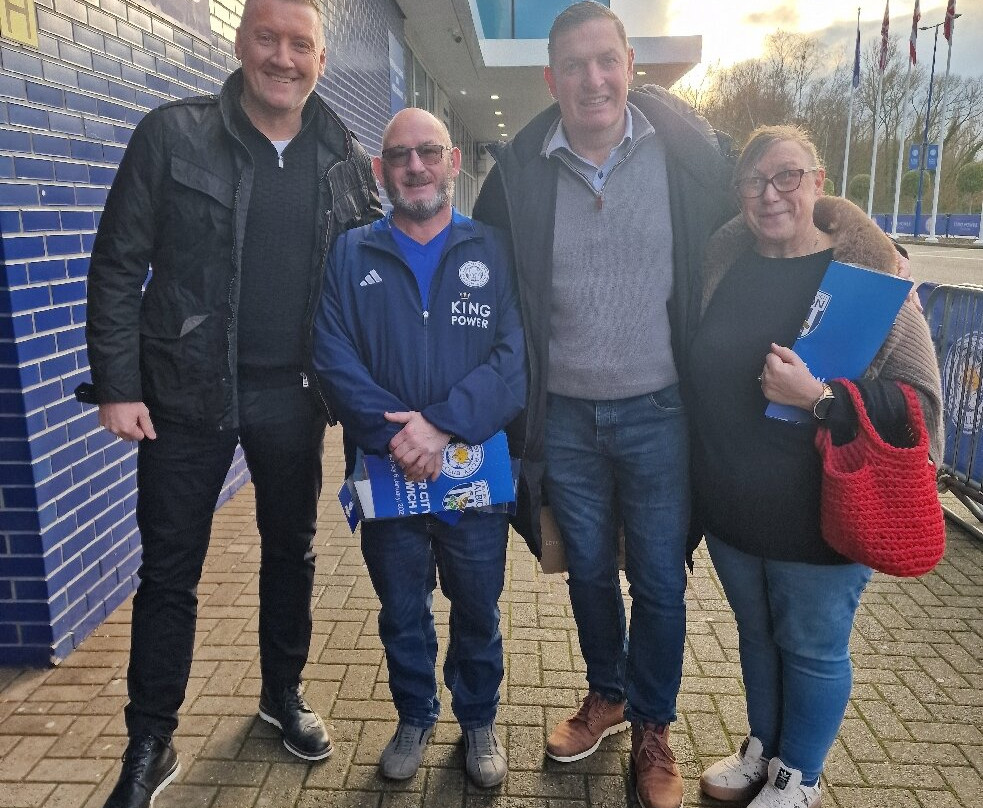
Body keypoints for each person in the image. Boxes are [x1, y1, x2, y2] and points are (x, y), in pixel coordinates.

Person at [82, 0, 381, 804]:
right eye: (267, 38)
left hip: (294, 397)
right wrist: (116, 384)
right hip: (183, 395)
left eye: (300, 45)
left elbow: (375, 279)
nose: (282, 58)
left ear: (320, 58)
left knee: (292, 554)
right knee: (170, 573)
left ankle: (280, 696)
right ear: (239, 41)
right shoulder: (172, 134)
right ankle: (151, 739)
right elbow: (117, 263)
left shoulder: (342, 155)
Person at [472, 3, 735, 806]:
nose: (592, 79)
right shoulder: (518, 174)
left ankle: (654, 727)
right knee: (587, 571)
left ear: (628, 66)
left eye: (605, 61)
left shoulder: (684, 161)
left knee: (658, 578)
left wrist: (852, 246)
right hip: (566, 420)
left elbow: (764, 216)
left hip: (659, 410)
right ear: (551, 80)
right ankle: (608, 695)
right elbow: (476, 279)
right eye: (574, 67)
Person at [688, 125, 942, 808]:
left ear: (818, 181)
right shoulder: (723, 260)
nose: (768, 195)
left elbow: (920, 404)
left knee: (811, 647)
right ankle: (762, 752)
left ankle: (797, 775)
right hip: (733, 509)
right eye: (753, 181)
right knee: (756, 636)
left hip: (823, 513)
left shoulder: (869, 274)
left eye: (786, 177)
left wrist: (823, 398)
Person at [312, 108, 526, 788]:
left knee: (476, 610)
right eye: (399, 156)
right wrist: (396, 437)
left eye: (427, 152)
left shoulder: (492, 250)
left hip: (472, 478)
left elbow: (514, 359)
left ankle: (479, 720)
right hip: (386, 474)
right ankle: (413, 715)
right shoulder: (351, 253)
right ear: (380, 171)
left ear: (452, 161)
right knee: (402, 612)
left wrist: (440, 426)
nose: (414, 167)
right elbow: (330, 352)